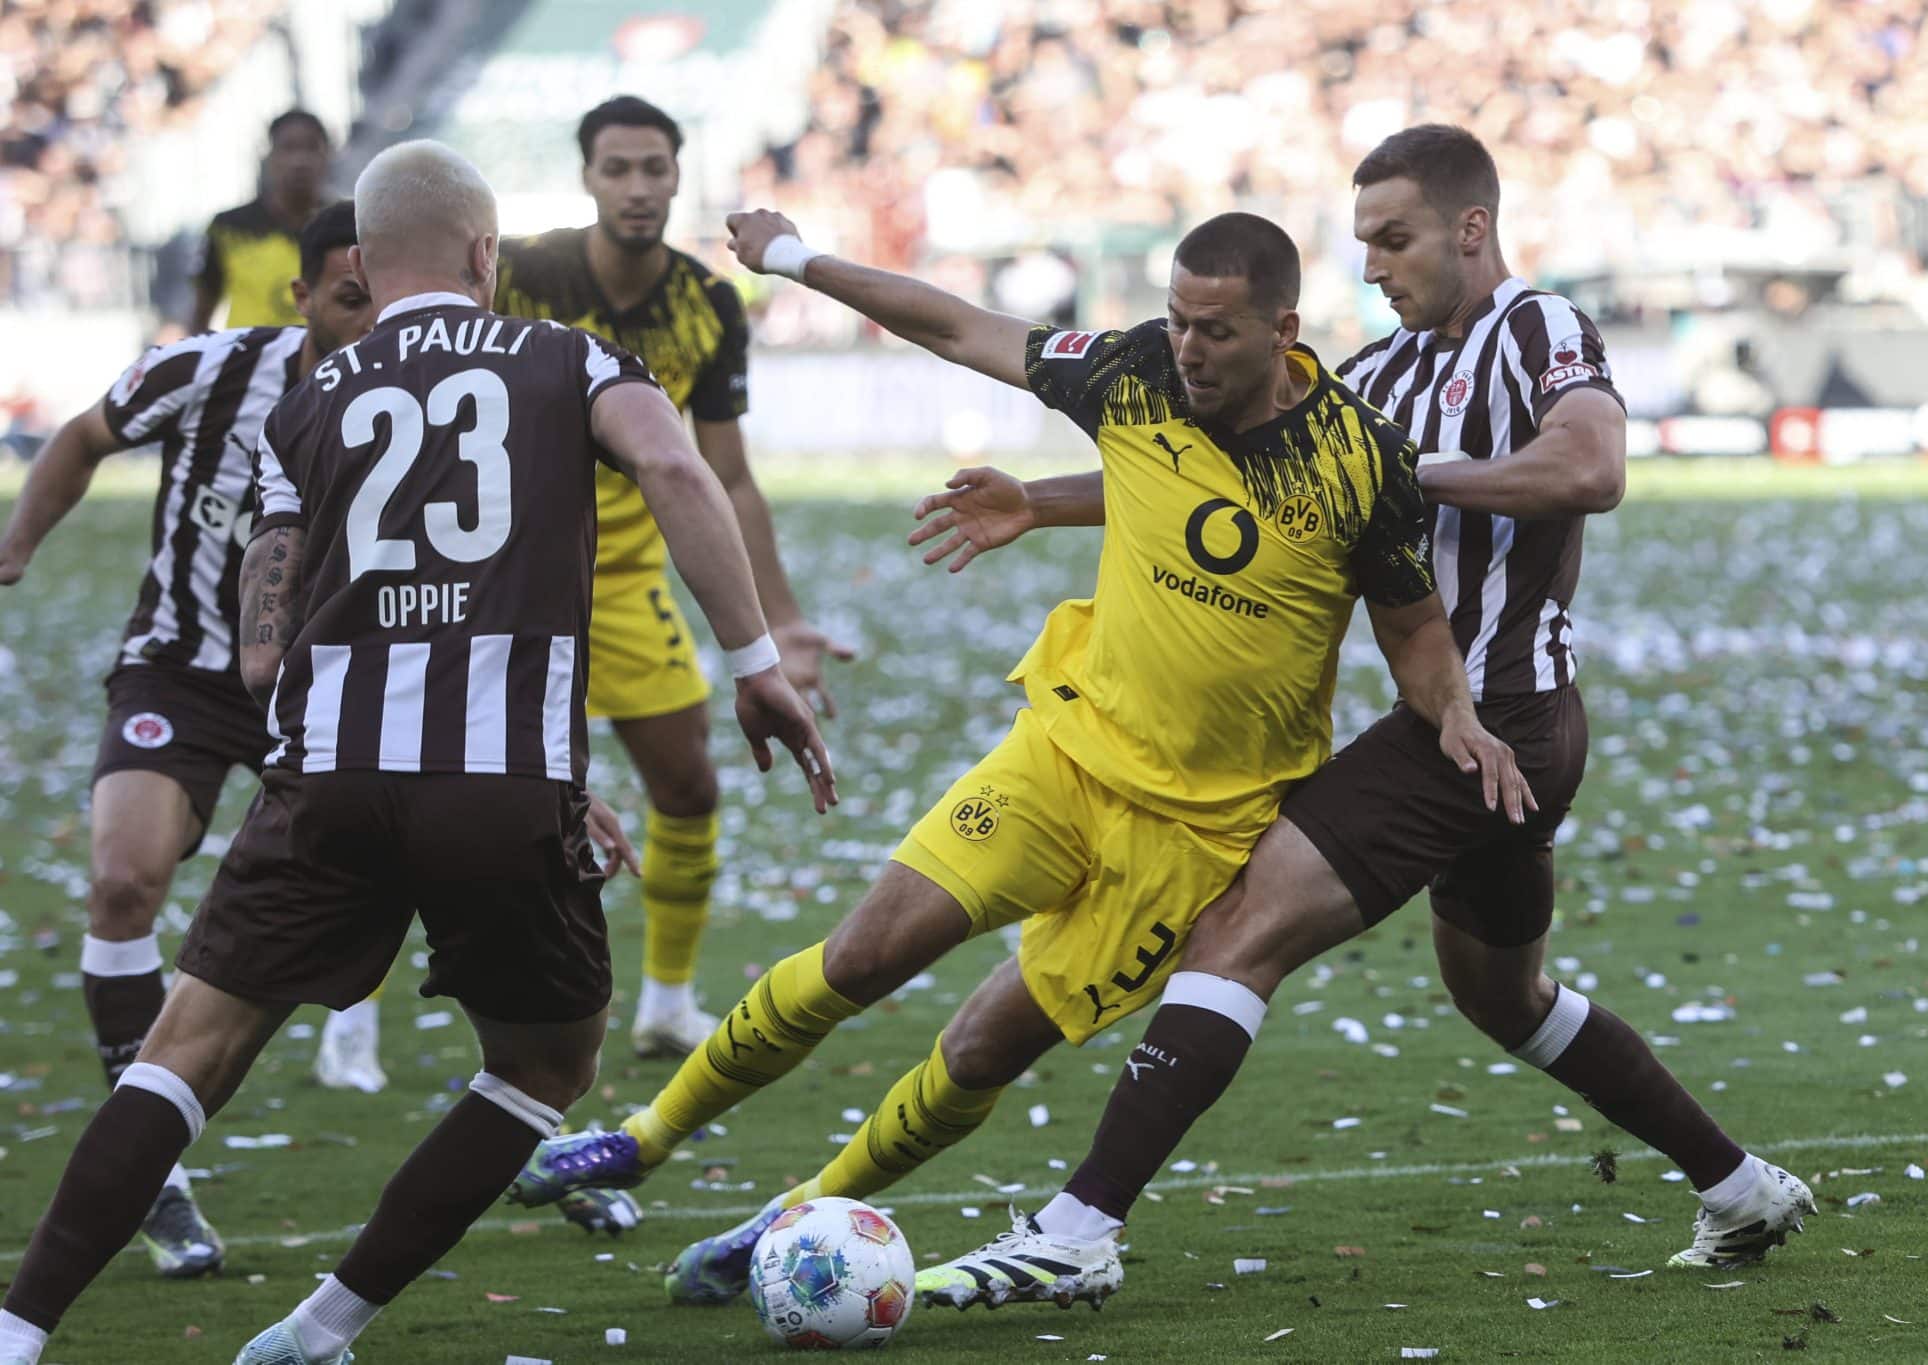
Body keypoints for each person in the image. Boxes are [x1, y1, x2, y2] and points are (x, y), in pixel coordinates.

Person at [505, 204, 1536, 1310]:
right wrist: (798, 260)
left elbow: (1413, 630)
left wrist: (1456, 715)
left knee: (980, 1049)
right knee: (861, 955)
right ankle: (642, 1137)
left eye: (1216, 332)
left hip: (1196, 835)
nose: (1187, 348)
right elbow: (960, 328)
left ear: (1284, 328)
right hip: (1063, 757)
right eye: (1178, 321)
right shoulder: (1132, 371)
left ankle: (796, 1211)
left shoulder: (1359, 458)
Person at [910, 124, 1816, 1311]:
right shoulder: (1374, 377)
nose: (1374, 266)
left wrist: (1405, 477)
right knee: (1505, 996)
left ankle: (1077, 1230)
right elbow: (1217, 487)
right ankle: (1739, 1185)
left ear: (1469, 229)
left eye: (1393, 240)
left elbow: (1589, 468)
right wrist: (1040, 499)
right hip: (1487, 739)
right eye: (1361, 246)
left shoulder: (1534, 327)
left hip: (1491, 714)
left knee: (1235, 930)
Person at [0, 139, 833, 1365]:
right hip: (500, 786)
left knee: (188, 1052)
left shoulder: (304, 404)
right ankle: (320, 1328)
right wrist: (756, 664)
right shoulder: (567, 358)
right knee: (547, 1062)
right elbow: (670, 463)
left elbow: (261, 648)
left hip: (327, 780)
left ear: (363, 266)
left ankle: (19, 1333)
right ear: (486, 254)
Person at [0, 201, 373, 1281]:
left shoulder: (411, 405)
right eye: (349, 299)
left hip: (324, 684)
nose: (369, 321)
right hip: (181, 668)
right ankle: (154, 1169)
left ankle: (467, 1067)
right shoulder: (212, 370)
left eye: (383, 300)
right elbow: (82, 436)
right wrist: (18, 545)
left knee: (354, 890)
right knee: (123, 884)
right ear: (300, 297)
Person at [491, 95, 851, 1061]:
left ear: (678, 176)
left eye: (655, 168)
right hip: (504, 579)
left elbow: (726, 474)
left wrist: (778, 623)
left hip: (627, 580)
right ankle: (355, 1020)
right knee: (460, 793)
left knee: (688, 786)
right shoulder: (515, 276)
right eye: (619, 168)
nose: (639, 187)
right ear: (586, 177)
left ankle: (666, 999)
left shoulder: (708, 302)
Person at [190, 110, 335, 332]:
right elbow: (202, 311)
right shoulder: (229, 228)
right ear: (269, 156)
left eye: (311, 148)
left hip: (326, 363)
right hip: (250, 362)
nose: (300, 161)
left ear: (327, 156)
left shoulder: (345, 225)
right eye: (288, 148)